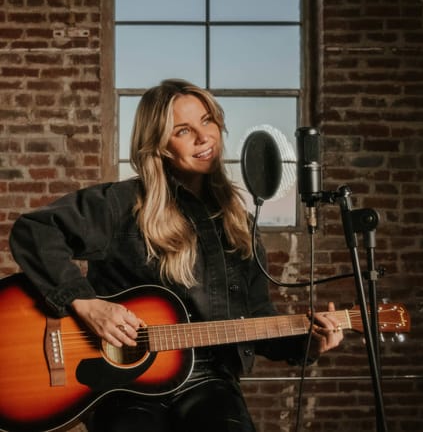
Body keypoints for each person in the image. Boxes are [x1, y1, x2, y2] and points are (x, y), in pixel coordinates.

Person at [9, 79, 343, 432]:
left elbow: (257, 317)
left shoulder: (240, 224)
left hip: (209, 382)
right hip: (122, 386)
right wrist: (86, 304)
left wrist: (308, 343)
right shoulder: (121, 204)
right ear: (159, 145)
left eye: (207, 120)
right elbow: (36, 231)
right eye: (183, 130)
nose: (203, 137)